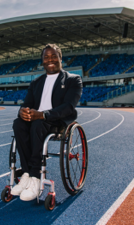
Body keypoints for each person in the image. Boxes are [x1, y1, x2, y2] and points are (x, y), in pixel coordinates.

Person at [11, 43, 83, 201]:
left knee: (37, 124)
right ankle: (27, 174)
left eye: (53, 56)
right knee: (18, 124)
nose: (50, 60)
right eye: (46, 57)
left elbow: (68, 107)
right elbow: (26, 104)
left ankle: (36, 178)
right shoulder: (36, 83)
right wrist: (22, 111)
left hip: (56, 120)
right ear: (42, 61)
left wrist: (42, 115)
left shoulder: (73, 80)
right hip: (37, 119)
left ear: (60, 58)